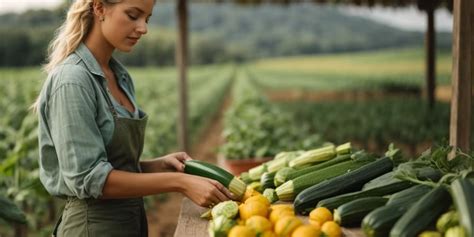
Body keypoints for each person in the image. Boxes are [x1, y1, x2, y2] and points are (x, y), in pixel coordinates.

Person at [34, 0, 234, 236]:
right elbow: (89, 178)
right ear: (99, 8)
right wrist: (178, 182)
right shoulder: (72, 81)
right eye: (133, 15)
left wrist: (157, 166)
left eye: (147, 19)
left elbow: (111, 166)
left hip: (131, 224)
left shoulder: (119, 76)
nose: (143, 28)